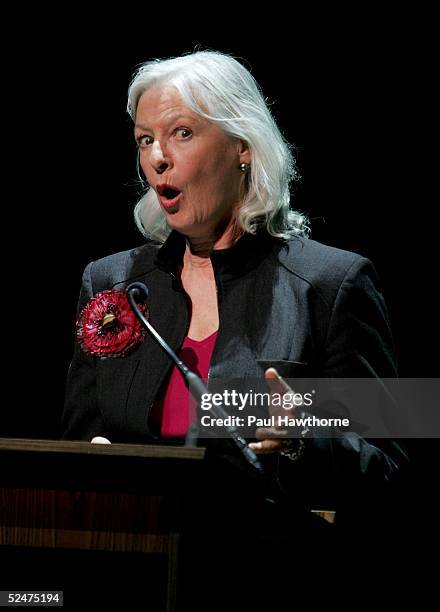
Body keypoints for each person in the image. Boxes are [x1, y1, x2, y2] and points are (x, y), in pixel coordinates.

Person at [62, 50, 407, 605]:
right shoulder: (112, 282)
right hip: (127, 582)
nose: (158, 159)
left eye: (181, 133)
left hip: (266, 584)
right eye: (144, 140)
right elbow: (74, 443)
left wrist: (305, 441)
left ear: (242, 147)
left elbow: (394, 472)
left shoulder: (332, 283)